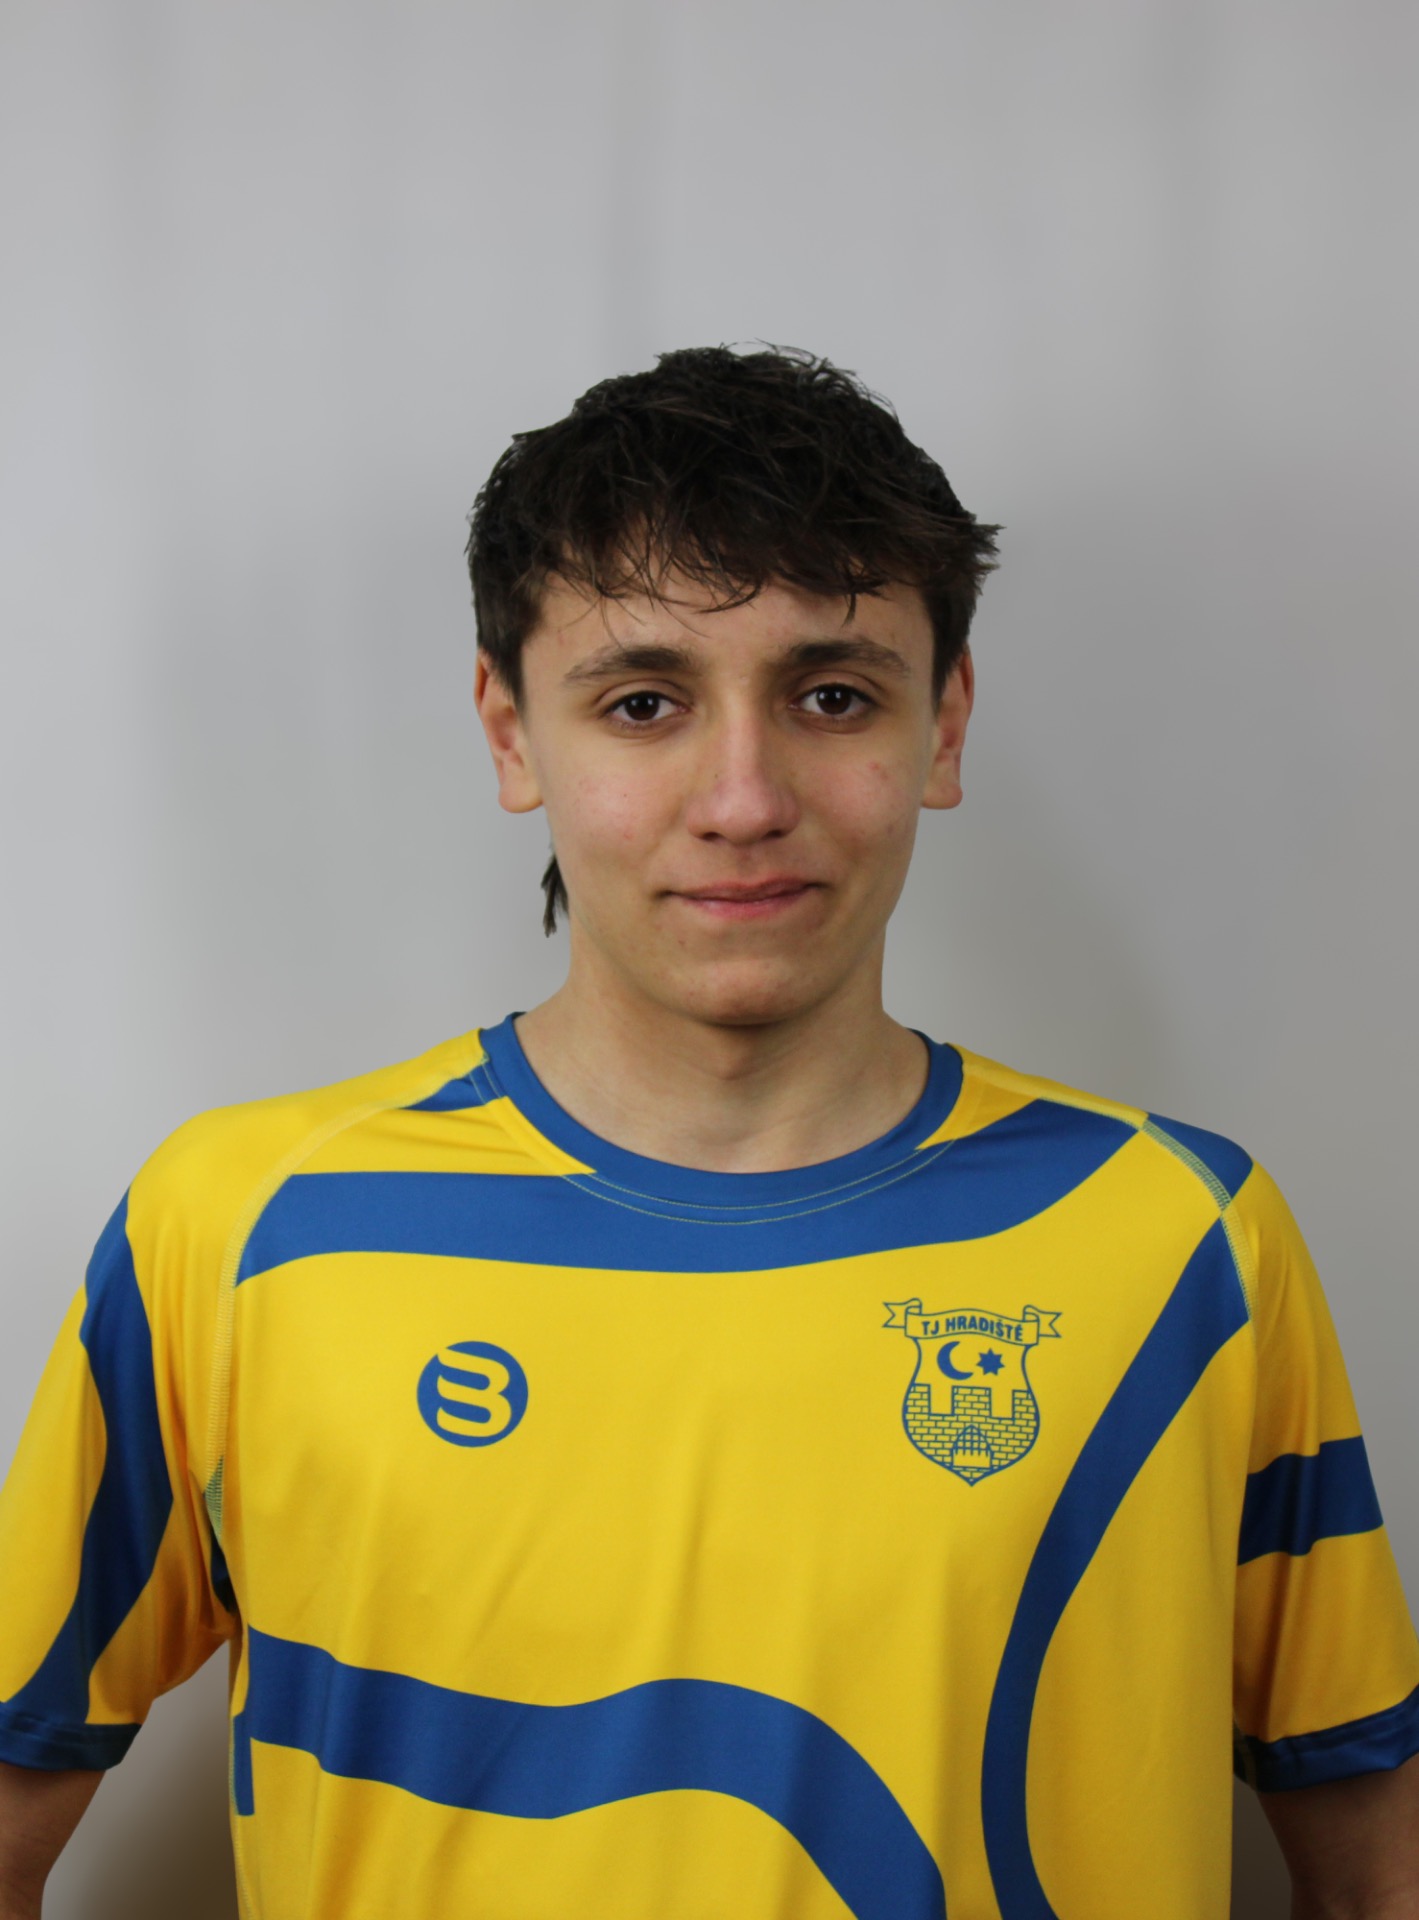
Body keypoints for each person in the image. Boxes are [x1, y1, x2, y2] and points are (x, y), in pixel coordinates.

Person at [0, 346, 1415, 1920]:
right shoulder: (239, 1227)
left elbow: (1379, 1875)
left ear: (943, 724)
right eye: (644, 702)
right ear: (511, 732)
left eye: (831, 696)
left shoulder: (1184, 1240)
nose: (743, 798)